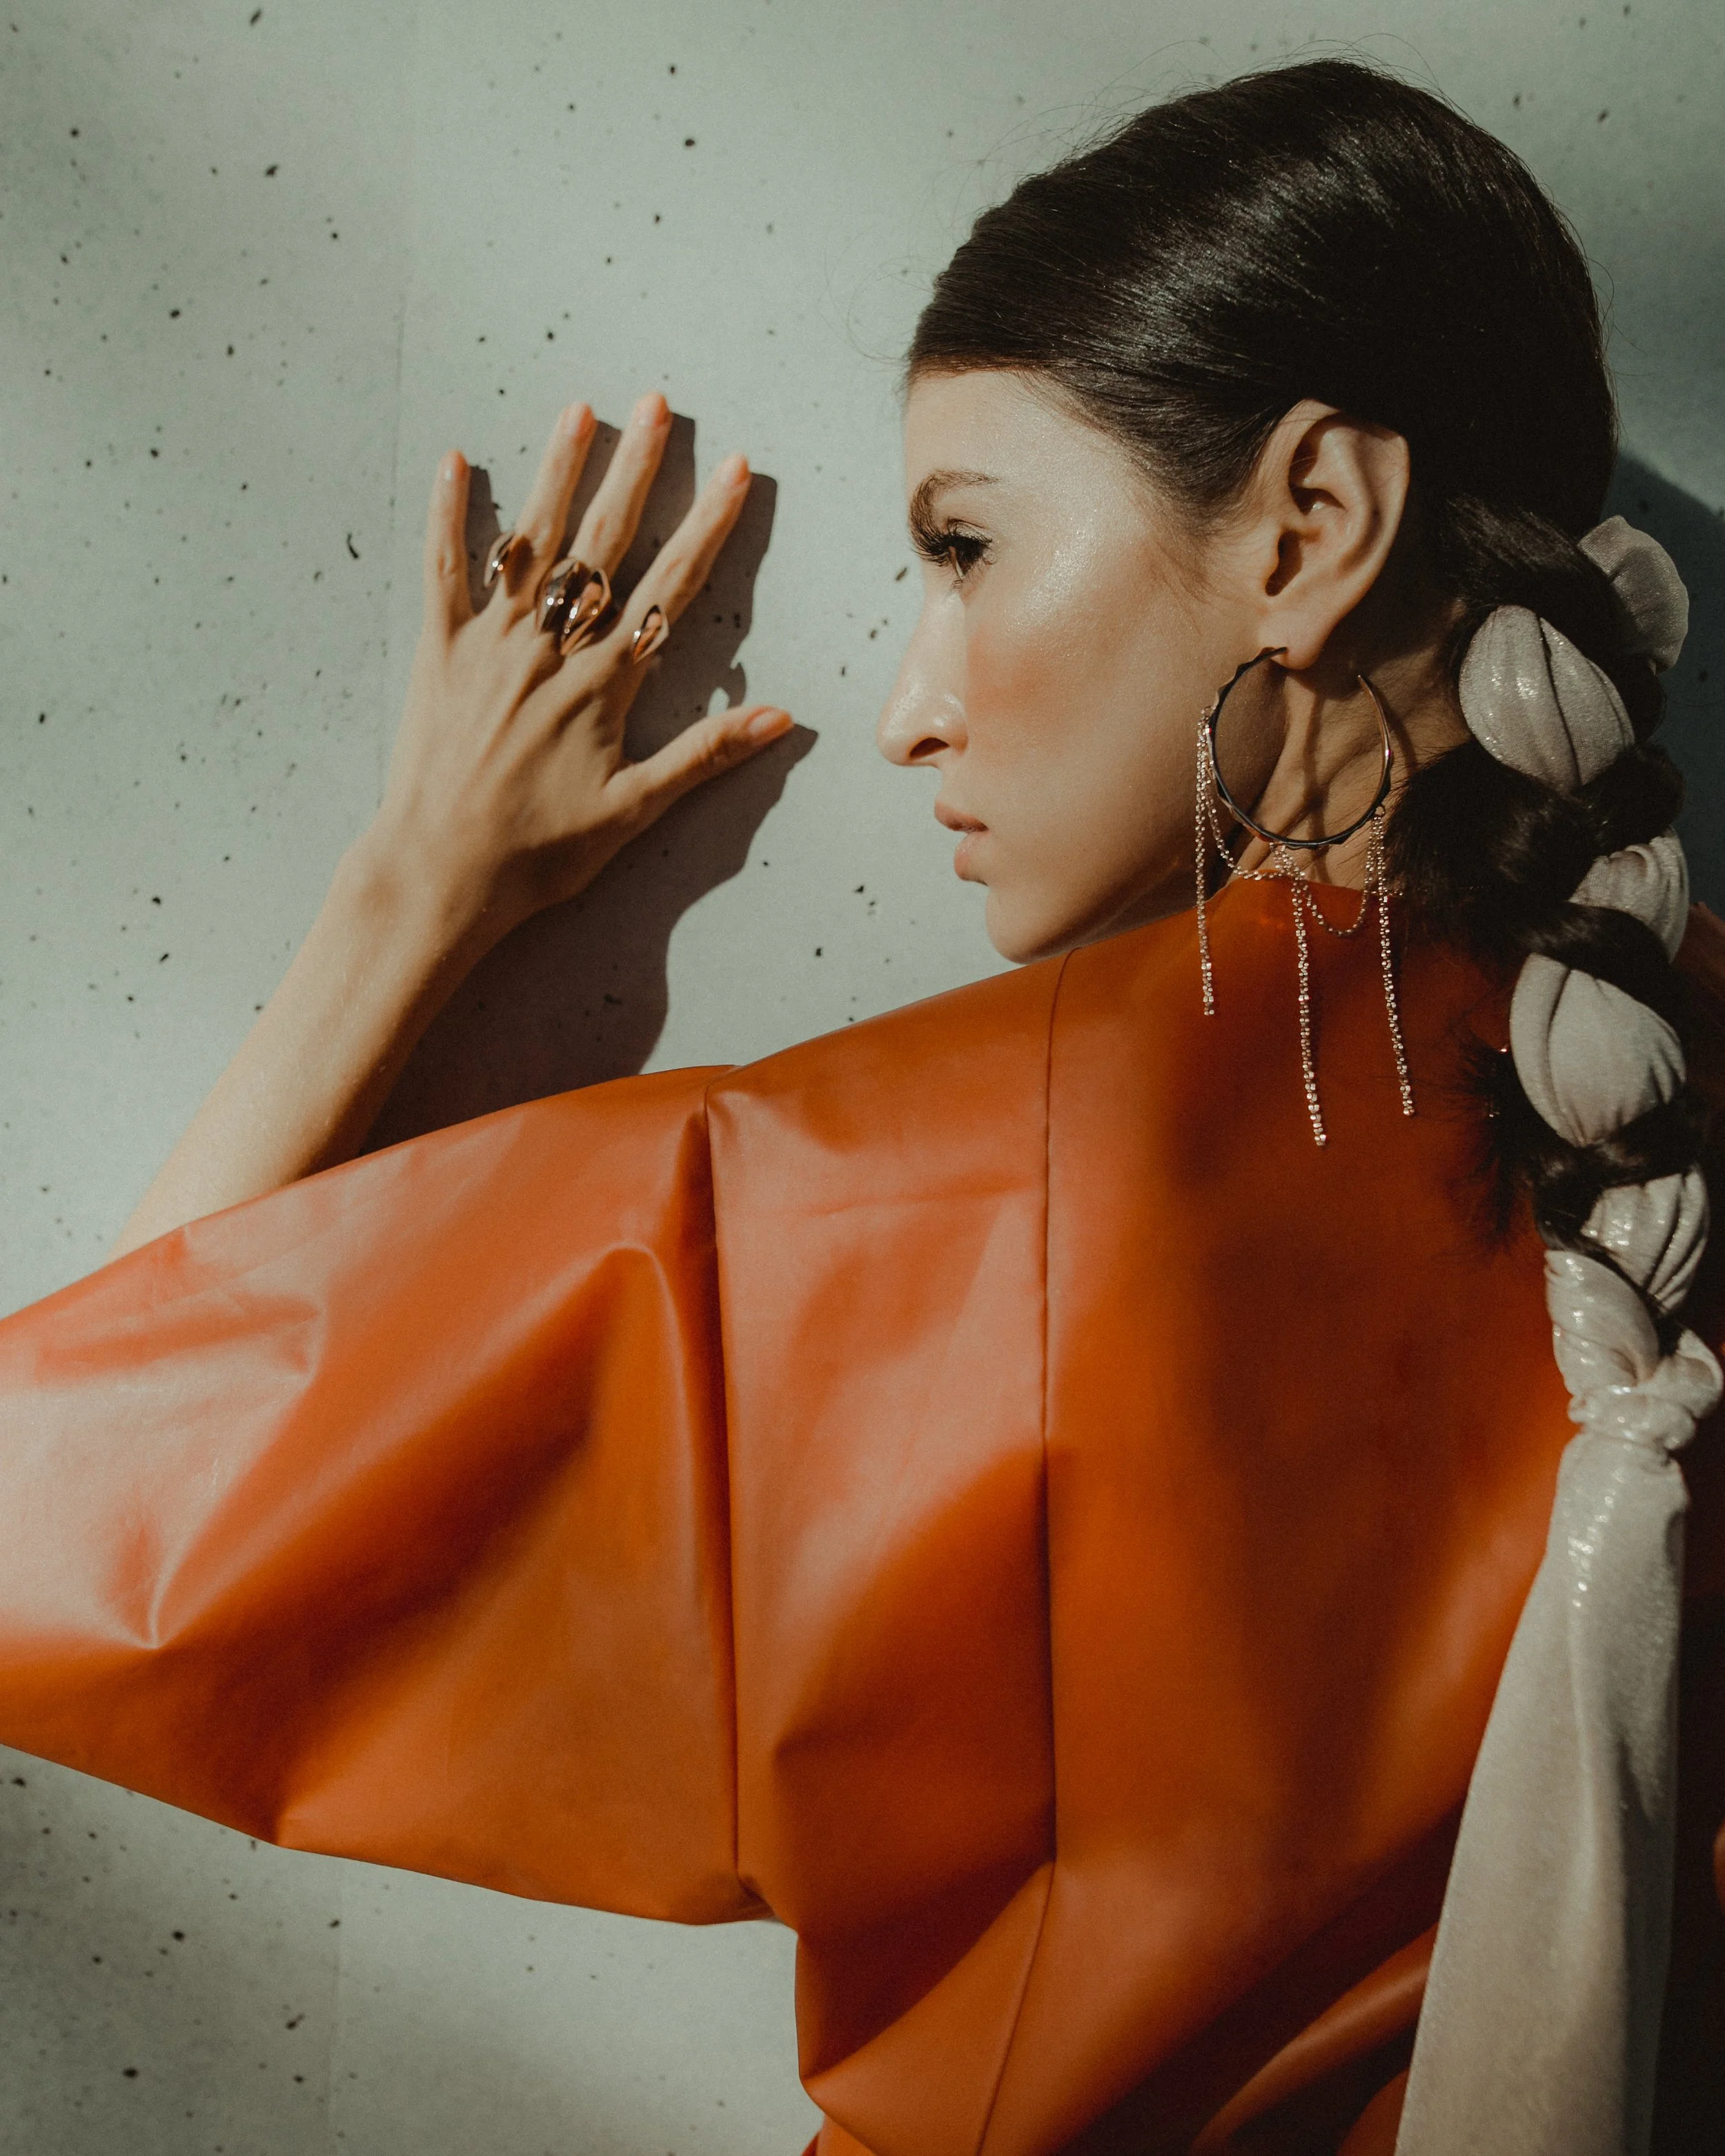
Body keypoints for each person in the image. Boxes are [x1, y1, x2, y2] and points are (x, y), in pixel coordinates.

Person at [1, 55, 1721, 2156]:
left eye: (966, 547)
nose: (912, 703)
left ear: (1310, 527)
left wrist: (411, 890)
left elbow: (63, 1507)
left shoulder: (921, 1207)